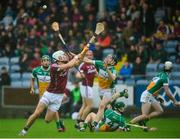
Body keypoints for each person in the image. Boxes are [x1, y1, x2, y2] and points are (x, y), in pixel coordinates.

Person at [18, 46, 89, 136]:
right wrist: (75, 57)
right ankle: (24, 130)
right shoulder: (54, 67)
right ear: (57, 58)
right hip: (49, 94)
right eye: (62, 55)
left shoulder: (65, 64)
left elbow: (78, 61)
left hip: (58, 97)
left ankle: (60, 123)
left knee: (47, 120)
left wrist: (83, 51)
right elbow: (70, 65)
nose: (64, 56)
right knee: (37, 113)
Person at [130, 61, 179, 130]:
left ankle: (144, 120)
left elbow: (155, 87)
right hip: (148, 95)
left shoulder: (159, 74)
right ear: (171, 69)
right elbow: (167, 91)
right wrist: (174, 101)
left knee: (160, 111)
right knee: (144, 115)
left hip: (151, 95)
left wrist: (157, 97)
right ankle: (128, 125)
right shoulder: (165, 77)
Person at [83, 54, 128, 129]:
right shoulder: (100, 63)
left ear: (113, 62)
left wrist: (107, 69)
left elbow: (113, 78)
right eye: (108, 56)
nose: (107, 58)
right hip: (101, 90)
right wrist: (77, 56)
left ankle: (94, 124)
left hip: (109, 90)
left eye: (110, 58)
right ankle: (123, 93)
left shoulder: (113, 70)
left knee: (101, 106)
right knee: (108, 108)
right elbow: (86, 60)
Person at [30, 55, 65, 132]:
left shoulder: (53, 70)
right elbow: (32, 78)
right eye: (44, 61)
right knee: (46, 114)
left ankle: (58, 125)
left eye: (47, 60)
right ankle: (59, 123)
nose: (46, 62)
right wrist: (32, 88)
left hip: (51, 93)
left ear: (50, 62)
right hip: (42, 94)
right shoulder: (36, 70)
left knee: (53, 109)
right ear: (41, 62)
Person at [75, 50, 97, 128]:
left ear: (92, 56)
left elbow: (96, 74)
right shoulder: (83, 65)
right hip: (86, 86)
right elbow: (77, 75)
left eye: (90, 55)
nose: (89, 56)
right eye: (87, 55)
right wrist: (81, 75)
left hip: (89, 86)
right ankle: (82, 121)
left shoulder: (93, 64)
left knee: (84, 105)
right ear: (85, 56)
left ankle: (77, 121)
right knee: (89, 106)